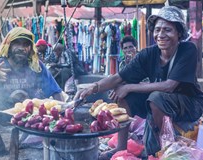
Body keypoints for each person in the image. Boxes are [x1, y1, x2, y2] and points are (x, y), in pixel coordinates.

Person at [74, 6, 203, 158]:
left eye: (167, 30)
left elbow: (170, 86)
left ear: (179, 33)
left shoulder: (188, 49)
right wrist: (93, 88)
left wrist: (129, 86)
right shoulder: (148, 54)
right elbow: (118, 77)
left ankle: (164, 151)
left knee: (155, 97)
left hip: (190, 104)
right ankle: (121, 148)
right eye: (157, 30)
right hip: (162, 100)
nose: (161, 34)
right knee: (123, 95)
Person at [0, 27, 64, 158]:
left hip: (32, 117)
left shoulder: (36, 66)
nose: (21, 48)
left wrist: (62, 120)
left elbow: (57, 93)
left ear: (30, 48)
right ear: (9, 45)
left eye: (26, 44)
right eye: (17, 43)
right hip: (3, 113)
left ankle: (29, 137)